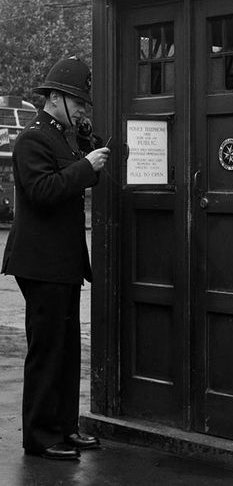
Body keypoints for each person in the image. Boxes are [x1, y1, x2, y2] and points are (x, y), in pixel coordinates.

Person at [1, 56, 110, 461]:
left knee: (66, 351)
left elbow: (84, 161)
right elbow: (43, 190)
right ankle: (40, 436)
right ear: (56, 99)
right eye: (78, 102)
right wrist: (85, 166)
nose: (82, 109)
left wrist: (92, 148)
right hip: (39, 263)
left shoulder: (66, 137)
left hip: (62, 263)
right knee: (47, 352)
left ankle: (65, 427)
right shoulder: (32, 140)